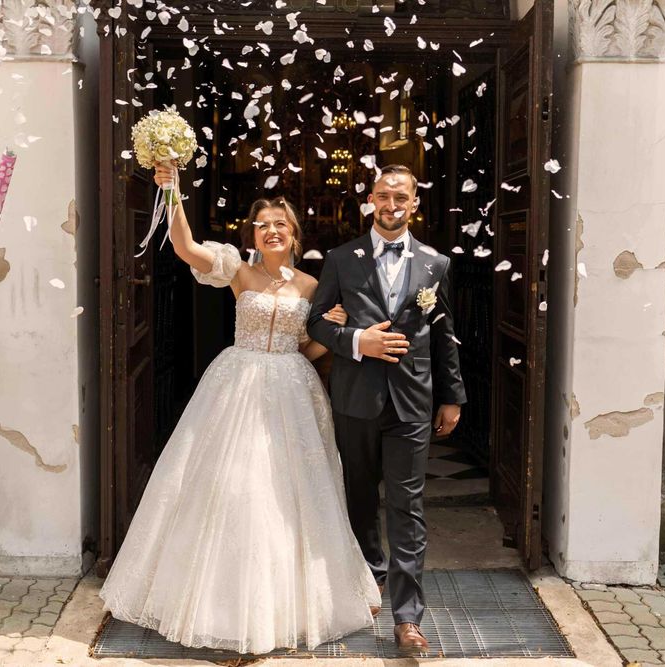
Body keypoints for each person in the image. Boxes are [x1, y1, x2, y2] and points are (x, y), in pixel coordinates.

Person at [99, 165, 380, 654]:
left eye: (280, 224)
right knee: (234, 486)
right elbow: (185, 247)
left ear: (294, 233)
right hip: (238, 384)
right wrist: (172, 190)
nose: (271, 231)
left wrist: (332, 332)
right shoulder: (239, 271)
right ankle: (219, 607)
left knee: (288, 493)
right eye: (262, 224)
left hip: (292, 388)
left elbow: (310, 347)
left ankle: (286, 606)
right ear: (253, 234)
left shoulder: (311, 286)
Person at [307, 164, 466, 652]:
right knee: (359, 497)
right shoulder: (341, 258)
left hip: (412, 401)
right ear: (370, 200)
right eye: (383, 195)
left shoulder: (436, 263)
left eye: (400, 197)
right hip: (356, 398)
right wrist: (358, 341)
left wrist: (452, 396)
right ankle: (369, 579)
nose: (391, 205)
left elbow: (444, 334)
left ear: (414, 202)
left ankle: (408, 617)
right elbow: (316, 323)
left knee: (407, 505)